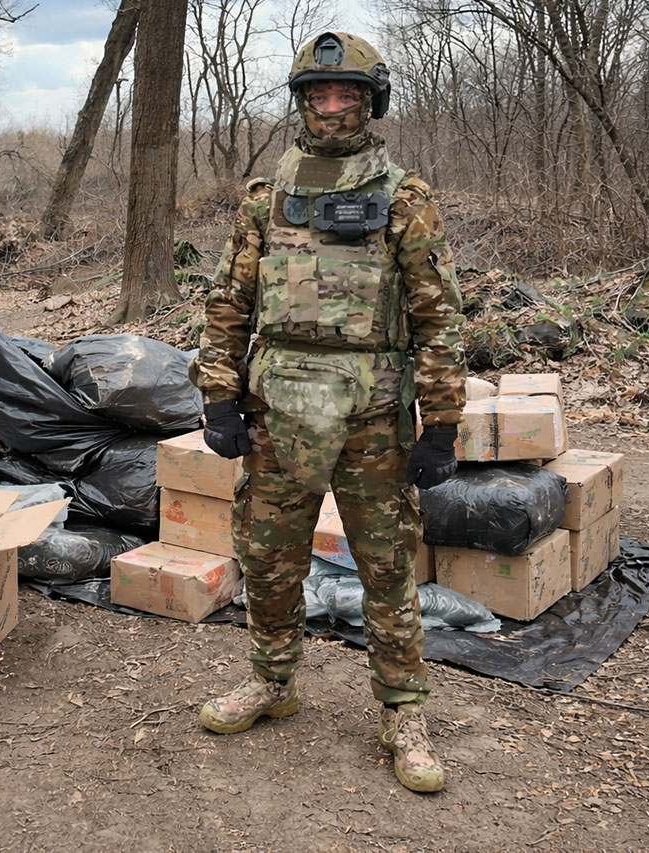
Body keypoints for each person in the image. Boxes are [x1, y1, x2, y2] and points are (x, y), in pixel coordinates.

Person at [190, 31, 467, 794]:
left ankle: (403, 711)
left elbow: (439, 315)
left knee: (386, 564)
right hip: (277, 409)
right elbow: (228, 301)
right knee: (269, 555)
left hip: (372, 416)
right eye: (319, 93)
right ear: (301, 102)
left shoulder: (405, 200)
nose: (333, 106)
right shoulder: (265, 198)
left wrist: (442, 423)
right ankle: (272, 678)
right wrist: (218, 394)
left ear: (372, 102)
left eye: (347, 94)